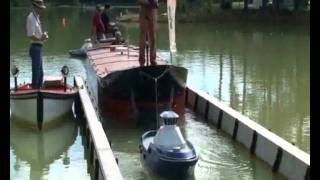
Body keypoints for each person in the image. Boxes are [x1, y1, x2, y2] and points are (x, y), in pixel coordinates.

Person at [26, 0, 48, 89]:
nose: (41, 9)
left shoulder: (37, 17)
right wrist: (40, 39)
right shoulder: (31, 18)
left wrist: (44, 36)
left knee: (40, 73)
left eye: (42, 8)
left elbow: (37, 34)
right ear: (35, 7)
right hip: (35, 48)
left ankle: (38, 91)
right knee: (36, 73)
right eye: (40, 8)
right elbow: (30, 35)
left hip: (38, 47)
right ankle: (35, 92)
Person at [138, 0, 159, 66]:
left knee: (152, 36)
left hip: (152, 9)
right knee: (143, 36)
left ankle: (152, 60)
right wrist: (149, 3)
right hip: (144, 9)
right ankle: (142, 61)